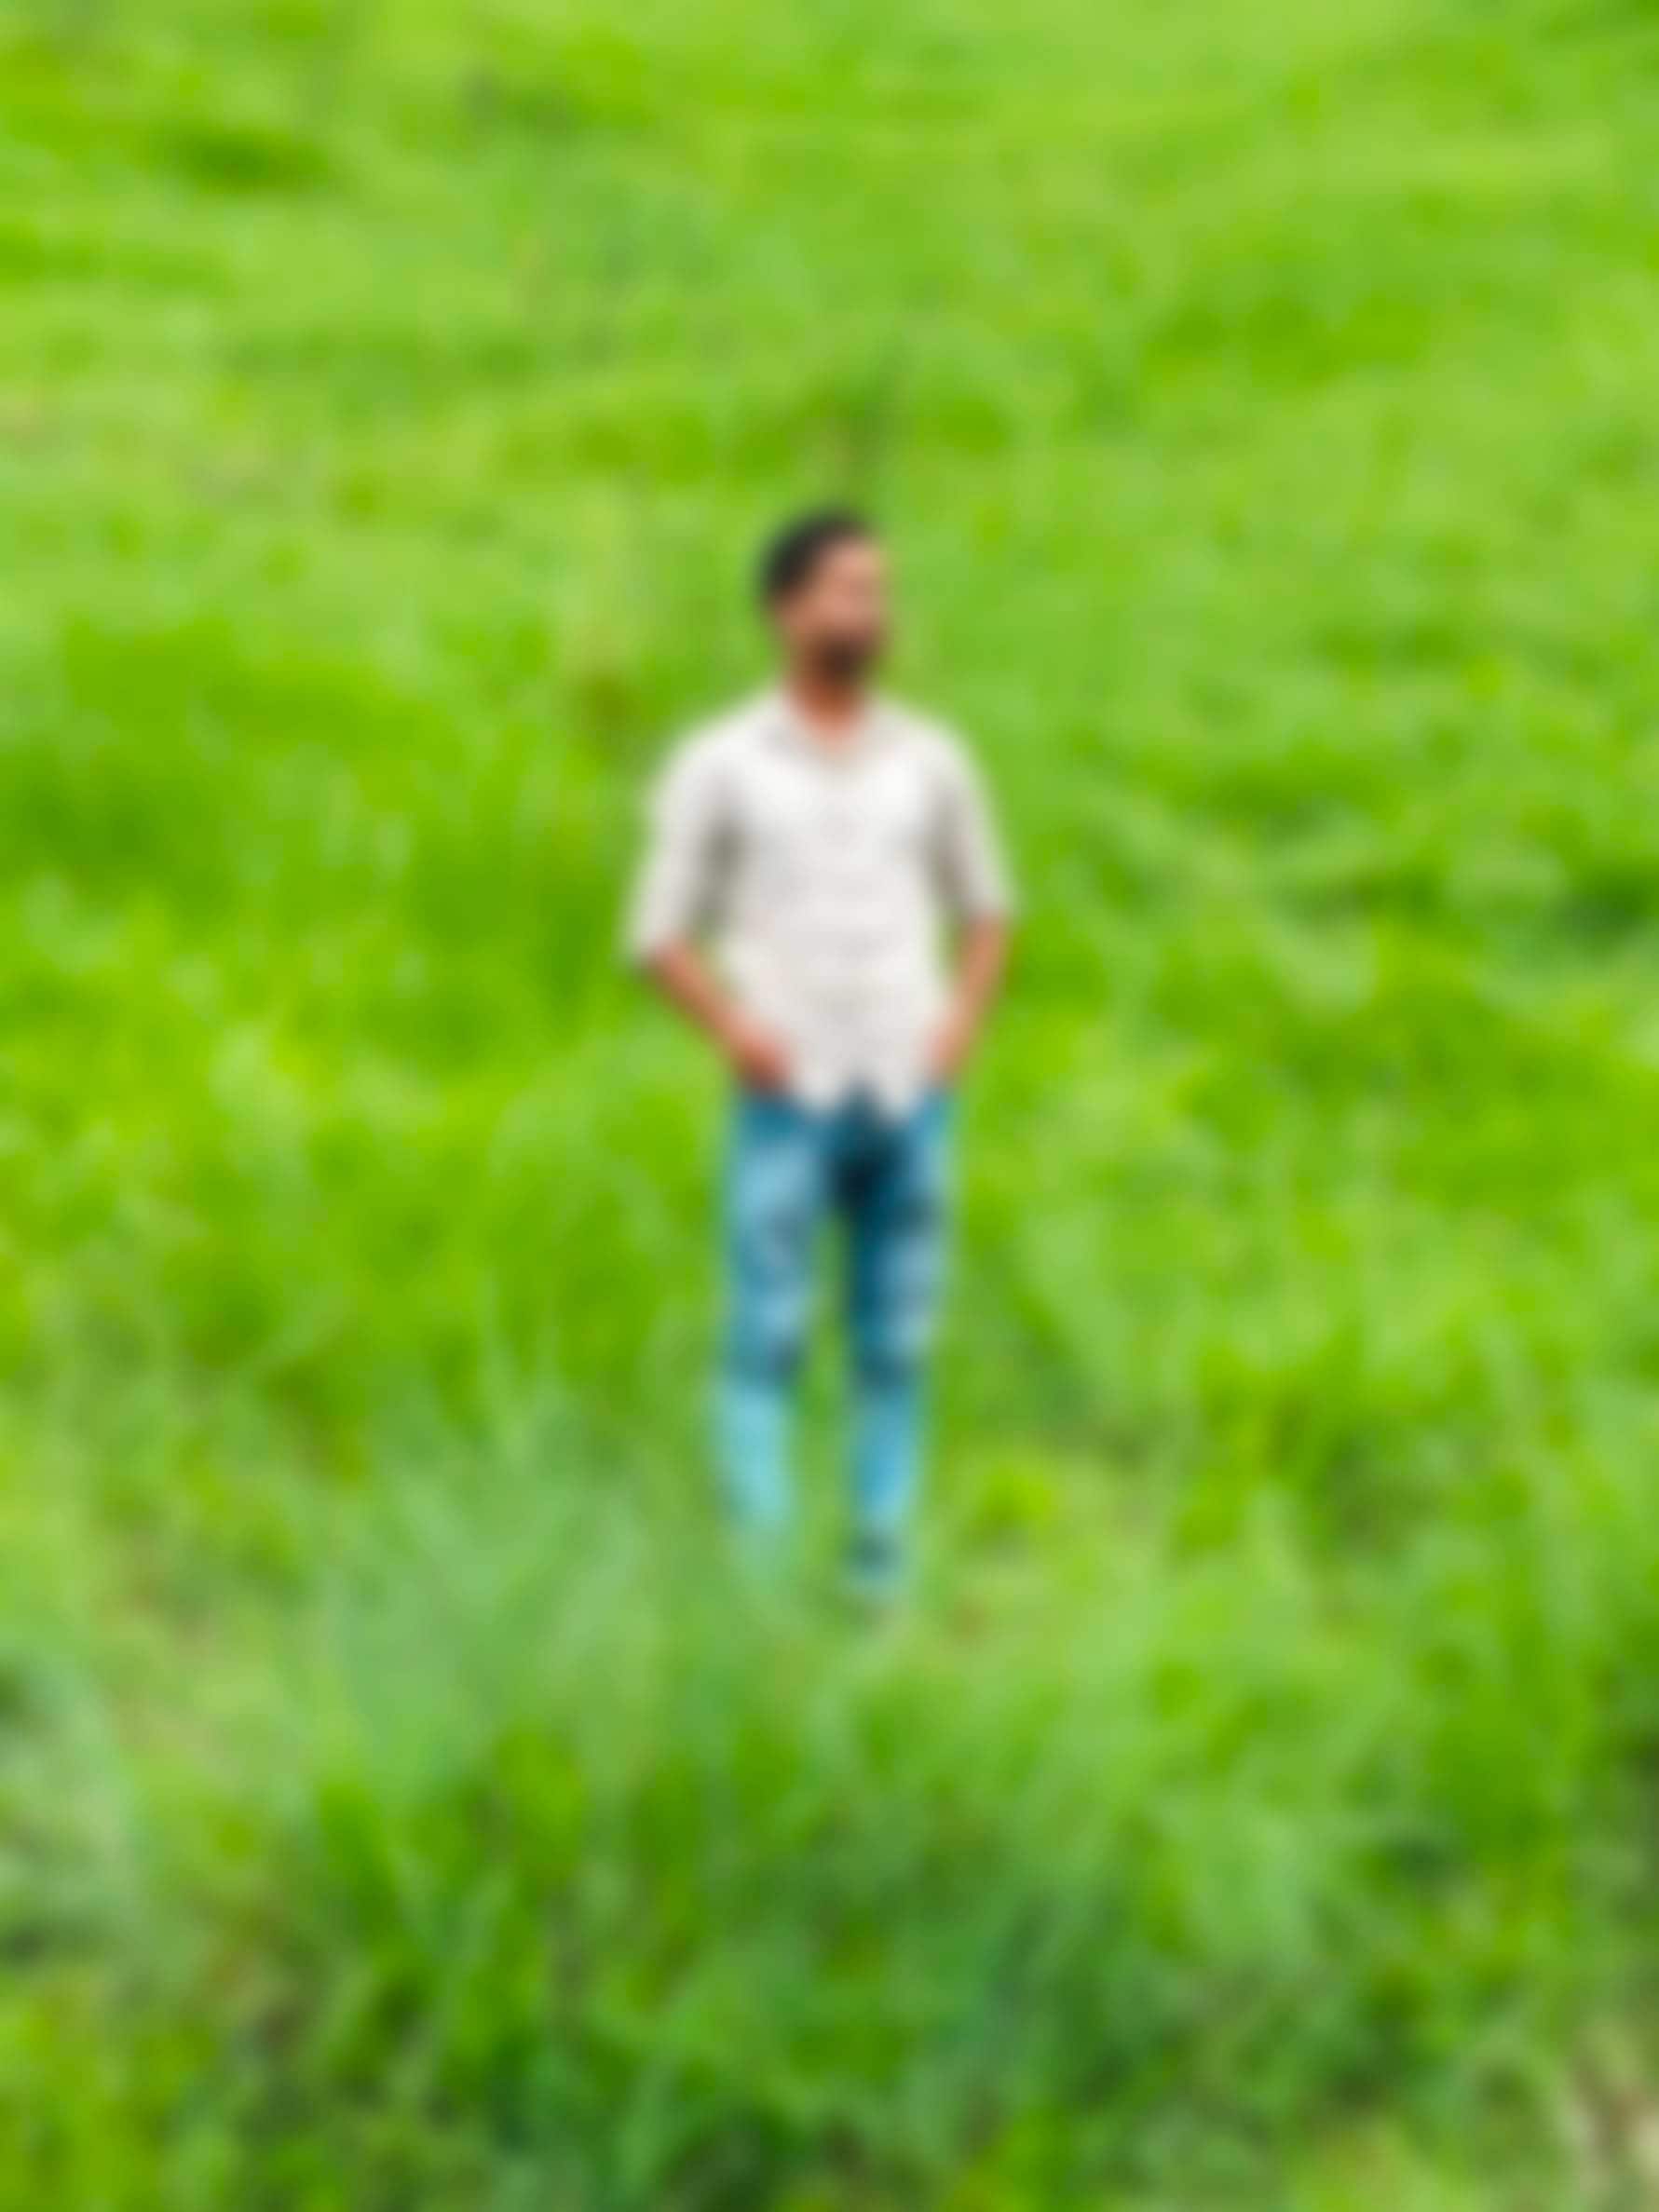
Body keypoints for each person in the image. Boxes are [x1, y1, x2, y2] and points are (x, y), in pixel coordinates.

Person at [626, 509, 1015, 1597]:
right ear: (783, 609)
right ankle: (760, 1570)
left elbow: (987, 906)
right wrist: (733, 1030)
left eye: (876, 592)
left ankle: (876, 1568)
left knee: (896, 1341)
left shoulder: (930, 759)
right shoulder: (720, 763)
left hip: (907, 1084)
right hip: (786, 1092)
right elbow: (655, 932)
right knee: (767, 1335)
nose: (868, 614)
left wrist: (957, 1026)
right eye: (845, 591)